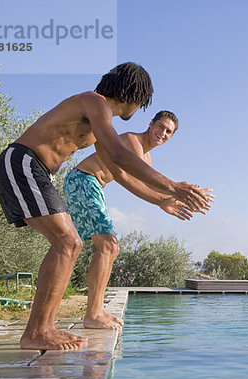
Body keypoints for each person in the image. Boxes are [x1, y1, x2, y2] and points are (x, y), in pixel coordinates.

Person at [0, 63, 214, 350]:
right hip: (22, 163)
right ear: (133, 95)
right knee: (68, 242)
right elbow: (121, 156)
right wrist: (173, 187)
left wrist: (162, 199)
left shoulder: (100, 125)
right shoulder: (93, 102)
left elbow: (119, 172)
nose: (140, 109)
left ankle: (42, 329)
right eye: (143, 103)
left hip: (36, 170)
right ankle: (38, 331)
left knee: (70, 244)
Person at [63, 110, 211, 331]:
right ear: (151, 124)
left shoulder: (147, 157)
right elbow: (130, 180)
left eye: (168, 131)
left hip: (93, 186)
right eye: (160, 126)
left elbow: (144, 185)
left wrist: (171, 200)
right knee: (107, 246)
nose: (163, 133)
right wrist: (175, 193)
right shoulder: (133, 141)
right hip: (83, 181)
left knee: (109, 248)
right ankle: (93, 314)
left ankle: (97, 310)